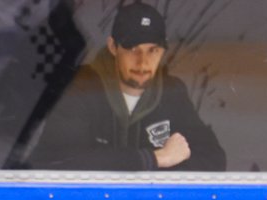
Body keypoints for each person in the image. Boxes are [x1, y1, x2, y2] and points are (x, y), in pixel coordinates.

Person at [27, 2, 225, 171]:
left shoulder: (172, 92)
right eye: (132, 49)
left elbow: (213, 159)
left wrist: (151, 170)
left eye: (153, 50)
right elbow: (56, 161)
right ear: (113, 47)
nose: (142, 62)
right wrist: (154, 159)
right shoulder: (82, 86)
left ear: (163, 51)